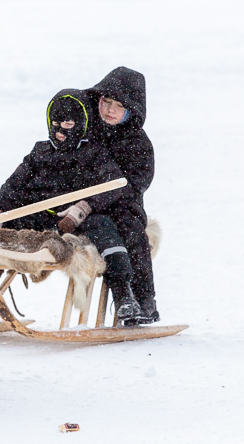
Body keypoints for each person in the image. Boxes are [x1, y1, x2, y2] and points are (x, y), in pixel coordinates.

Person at [0, 89, 143, 323]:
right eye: (55, 123)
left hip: (77, 220)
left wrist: (84, 208)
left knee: (105, 228)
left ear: (80, 124)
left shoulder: (94, 154)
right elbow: (14, 185)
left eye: (68, 124)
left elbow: (114, 185)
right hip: (39, 217)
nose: (59, 130)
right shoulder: (40, 152)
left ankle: (124, 295)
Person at [83, 66, 159, 324]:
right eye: (106, 102)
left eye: (118, 105)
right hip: (87, 208)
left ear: (132, 109)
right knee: (103, 228)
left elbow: (138, 182)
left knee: (132, 234)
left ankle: (144, 299)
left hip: (124, 206)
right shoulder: (88, 131)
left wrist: (106, 197)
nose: (109, 110)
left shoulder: (138, 142)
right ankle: (123, 295)